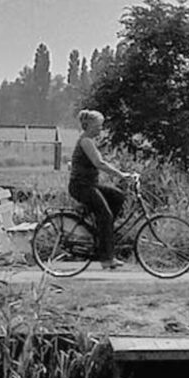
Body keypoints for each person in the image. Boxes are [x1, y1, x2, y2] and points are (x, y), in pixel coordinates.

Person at [70, 109, 137, 270]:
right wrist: (121, 175)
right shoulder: (86, 141)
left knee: (118, 197)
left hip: (89, 184)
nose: (101, 128)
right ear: (89, 125)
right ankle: (106, 258)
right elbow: (99, 163)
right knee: (105, 215)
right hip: (81, 186)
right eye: (98, 125)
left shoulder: (90, 141)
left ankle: (102, 233)